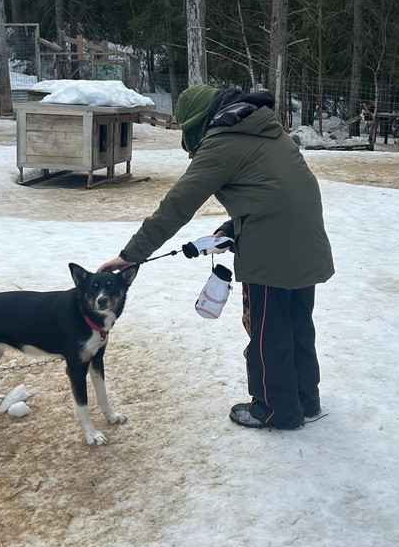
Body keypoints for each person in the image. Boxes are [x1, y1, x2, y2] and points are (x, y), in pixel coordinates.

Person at [99, 84, 334, 430]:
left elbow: (177, 205)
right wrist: (233, 225)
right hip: (304, 243)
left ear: (195, 122)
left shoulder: (223, 140)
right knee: (297, 323)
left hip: (271, 251)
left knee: (268, 332)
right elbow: (273, 189)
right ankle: (304, 399)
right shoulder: (266, 130)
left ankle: (274, 408)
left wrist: (132, 255)